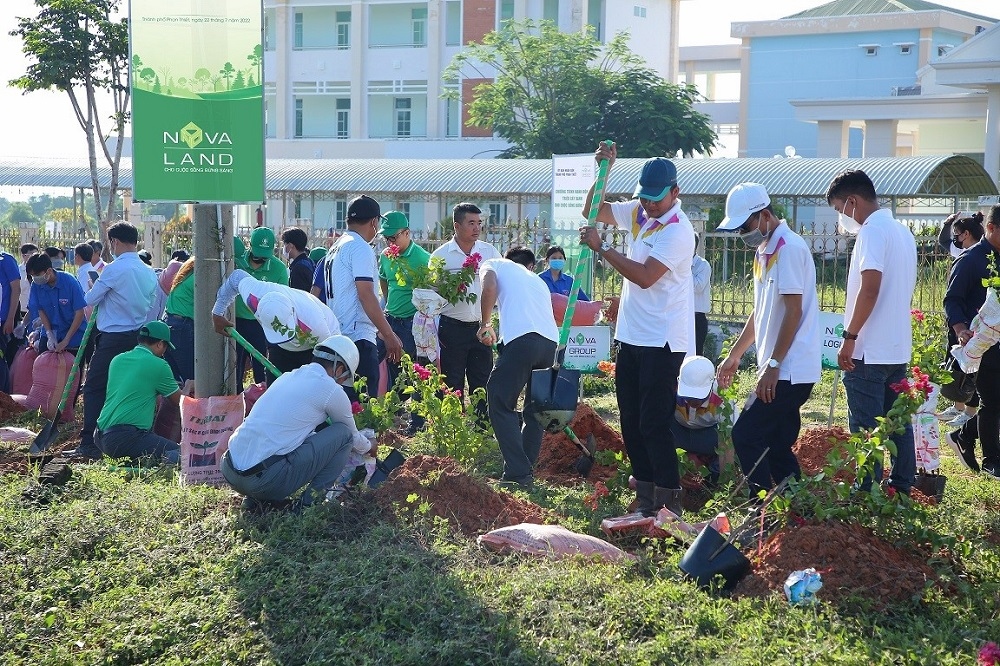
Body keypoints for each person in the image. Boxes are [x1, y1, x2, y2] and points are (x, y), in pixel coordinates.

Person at [580, 143, 695, 517]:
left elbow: (646, 277)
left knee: (653, 420)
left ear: (675, 193)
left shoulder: (678, 231)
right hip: (630, 334)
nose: (649, 205)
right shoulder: (640, 214)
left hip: (663, 339)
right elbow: (592, 210)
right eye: (644, 198)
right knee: (629, 417)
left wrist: (603, 250)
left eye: (657, 200)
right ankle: (645, 493)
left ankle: (669, 498)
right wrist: (602, 171)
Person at [716, 182, 820, 496]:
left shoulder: (788, 248)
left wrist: (773, 365)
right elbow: (760, 311)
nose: (742, 234)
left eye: (745, 226)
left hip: (789, 368)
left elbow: (792, 310)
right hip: (780, 366)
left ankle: (758, 507)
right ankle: (797, 508)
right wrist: (736, 354)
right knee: (777, 443)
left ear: (764, 216)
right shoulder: (765, 250)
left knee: (745, 434)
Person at [827, 169, 918, 493]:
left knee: (865, 427)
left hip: (868, 351)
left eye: (840, 210)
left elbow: (870, 288)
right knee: (897, 424)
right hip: (895, 348)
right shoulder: (902, 232)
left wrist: (849, 338)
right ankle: (902, 487)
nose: (842, 218)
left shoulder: (871, 232)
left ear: (852, 201)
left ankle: (866, 493)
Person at [221, 334, 378, 511]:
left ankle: (257, 501)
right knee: (344, 434)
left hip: (229, 468)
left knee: (284, 439)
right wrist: (370, 445)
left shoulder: (288, 377)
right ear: (339, 369)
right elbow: (353, 437)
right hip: (263, 479)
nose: (342, 382)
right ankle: (308, 507)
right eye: (344, 377)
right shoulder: (331, 390)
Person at [70, 222, 158, 461]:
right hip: (138, 337)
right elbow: (150, 304)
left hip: (113, 339)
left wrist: (94, 285)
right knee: (126, 388)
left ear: (114, 242)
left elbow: (90, 298)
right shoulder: (148, 271)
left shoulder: (114, 269)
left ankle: (90, 442)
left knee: (95, 386)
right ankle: (126, 436)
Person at [477, 246, 559, 489]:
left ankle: (517, 472)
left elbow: (489, 286)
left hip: (523, 341)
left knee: (500, 402)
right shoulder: (537, 280)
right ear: (530, 265)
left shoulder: (494, 264)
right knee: (535, 412)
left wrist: (485, 323)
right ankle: (523, 471)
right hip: (549, 344)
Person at [323, 195, 403, 397]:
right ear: (374, 222)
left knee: (342, 407)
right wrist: (388, 334)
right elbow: (366, 295)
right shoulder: (359, 247)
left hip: (337, 336)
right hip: (357, 338)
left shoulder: (336, 246)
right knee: (363, 409)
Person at [430, 202, 502, 418]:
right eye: (471, 223)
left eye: (479, 223)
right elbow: (432, 294)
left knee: (482, 381)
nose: (476, 228)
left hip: (482, 326)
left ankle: (483, 430)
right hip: (451, 328)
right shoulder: (441, 256)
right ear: (456, 225)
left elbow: (501, 285)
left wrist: (488, 323)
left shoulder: (489, 252)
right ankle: (453, 428)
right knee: (452, 383)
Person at [943, 205, 1000, 478]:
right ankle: (992, 460)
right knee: (991, 400)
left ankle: (964, 436)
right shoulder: (971, 260)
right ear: (990, 228)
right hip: (982, 342)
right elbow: (952, 299)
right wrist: (961, 328)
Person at [212, 267, 341, 381]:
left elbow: (330, 354)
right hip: (280, 348)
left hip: (312, 347)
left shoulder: (314, 323)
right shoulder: (254, 296)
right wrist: (217, 312)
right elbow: (236, 277)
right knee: (275, 387)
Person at [94, 321, 181, 464]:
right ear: (159, 344)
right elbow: (179, 402)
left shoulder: (118, 359)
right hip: (125, 437)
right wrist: (189, 386)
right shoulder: (159, 365)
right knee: (182, 455)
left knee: (145, 452)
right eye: (165, 347)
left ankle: (136, 462)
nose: (164, 352)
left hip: (100, 436)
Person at [378, 210, 432, 433]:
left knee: (415, 371)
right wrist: (389, 304)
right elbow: (383, 278)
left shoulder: (422, 259)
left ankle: (417, 423)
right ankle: (394, 415)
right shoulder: (386, 256)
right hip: (392, 320)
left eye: (393, 238)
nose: (389, 243)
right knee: (391, 369)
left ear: (407, 233)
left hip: (413, 323)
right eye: (386, 238)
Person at [937, 212, 984, 429]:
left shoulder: (981, 256)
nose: (955, 238)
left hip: (973, 324)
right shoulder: (962, 252)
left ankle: (970, 412)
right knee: (956, 366)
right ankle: (958, 407)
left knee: (972, 370)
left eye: (957, 233)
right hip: (959, 322)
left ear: (966, 234)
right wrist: (948, 223)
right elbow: (943, 240)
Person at [233, 227, 289, 390]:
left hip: (262, 325)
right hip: (237, 322)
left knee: (262, 368)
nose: (260, 259)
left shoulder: (278, 269)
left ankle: (262, 401)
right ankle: (236, 404)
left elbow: (282, 300)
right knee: (234, 368)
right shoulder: (237, 261)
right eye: (257, 253)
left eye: (265, 256)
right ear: (249, 245)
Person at [671, 355, 724, 488]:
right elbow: (658, 430)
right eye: (688, 394)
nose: (692, 401)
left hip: (708, 438)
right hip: (678, 435)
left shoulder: (723, 396)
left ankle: (710, 478)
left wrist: (724, 483)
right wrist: (675, 468)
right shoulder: (670, 389)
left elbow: (727, 443)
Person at [25, 253, 86, 354]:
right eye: (32, 276)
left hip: (73, 333)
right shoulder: (36, 286)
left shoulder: (70, 282)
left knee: (70, 368)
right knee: (43, 365)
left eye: (37, 275)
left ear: (48, 271)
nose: (35, 278)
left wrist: (66, 340)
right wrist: (49, 334)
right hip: (50, 332)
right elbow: (41, 310)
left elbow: (79, 312)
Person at [163, 258, 196, 383]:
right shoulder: (201, 275)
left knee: (175, 378)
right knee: (191, 378)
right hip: (182, 327)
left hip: (170, 322)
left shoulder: (189, 268)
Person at [691, 234, 712, 356]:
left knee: (695, 354)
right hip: (679, 316)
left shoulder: (702, 265)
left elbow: (697, 287)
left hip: (697, 317)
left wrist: (683, 269)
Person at [281, 227, 314, 292]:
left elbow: (297, 296)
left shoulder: (298, 268)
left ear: (290, 245)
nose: (283, 247)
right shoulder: (308, 262)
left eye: (284, 244)